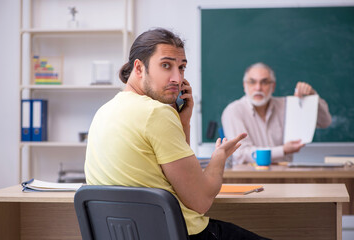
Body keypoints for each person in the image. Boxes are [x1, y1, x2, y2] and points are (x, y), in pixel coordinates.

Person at [85, 28, 270, 240]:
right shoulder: (156, 113)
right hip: (181, 234)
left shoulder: (104, 111)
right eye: (166, 65)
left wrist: (183, 121)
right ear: (139, 68)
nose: (177, 78)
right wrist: (219, 158)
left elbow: (176, 177)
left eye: (181, 68)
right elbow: (200, 201)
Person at [221, 62, 332, 164]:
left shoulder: (286, 106)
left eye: (264, 82)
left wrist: (312, 98)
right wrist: (283, 150)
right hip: (248, 177)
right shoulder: (233, 111)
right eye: (252, 82)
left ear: (273, 86)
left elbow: (325, 122)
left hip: (284, 174)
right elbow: (241, 154)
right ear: (245, 86)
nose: (258, 87)